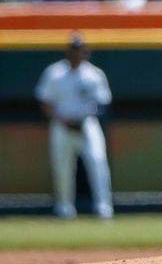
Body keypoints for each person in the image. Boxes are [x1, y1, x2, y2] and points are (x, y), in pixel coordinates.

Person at [34, 34, 114, 219]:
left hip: (87, 125)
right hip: (61, 126)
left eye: (79, 50)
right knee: (62, 168)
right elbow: (45, 101)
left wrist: (84, 116)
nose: (76, 53)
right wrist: (62, 119)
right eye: (73, 50)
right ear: (67, 52)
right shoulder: (54, 73)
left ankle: (104, 209)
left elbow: (102, 102)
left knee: (98, 162)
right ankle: (64, 209)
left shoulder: (94, 74)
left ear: (86, 52)